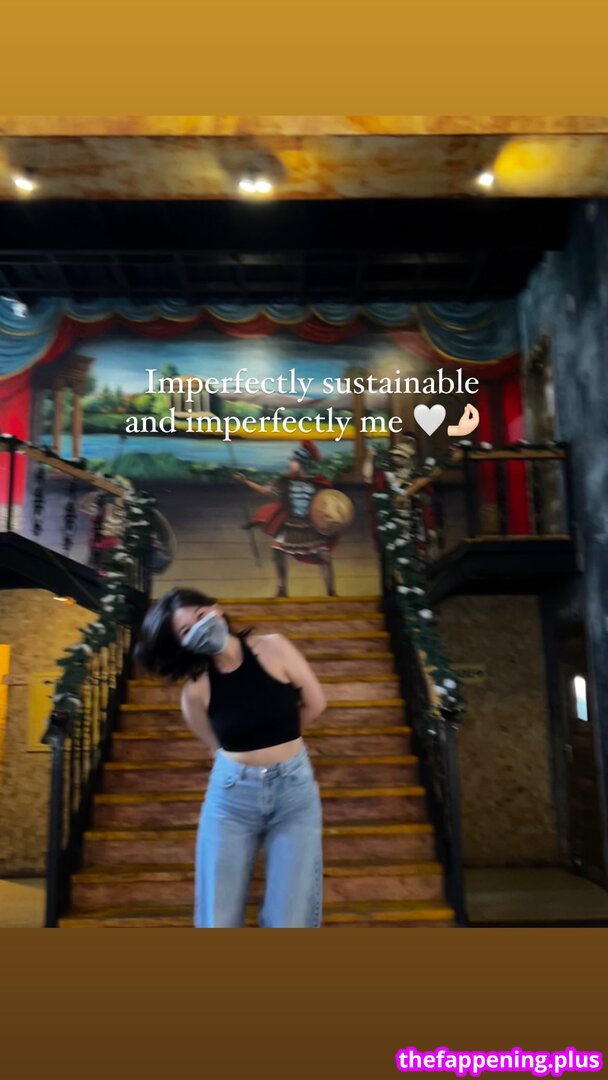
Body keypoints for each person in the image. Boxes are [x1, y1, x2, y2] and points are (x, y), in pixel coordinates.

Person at [135, 588, 326, 928]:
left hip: (294, 792)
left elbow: (315, 703)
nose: (199, 627)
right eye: (186, 630)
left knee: (291, 917)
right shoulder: (195, 691)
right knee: (217, 916)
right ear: (183, 644)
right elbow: (216, 746)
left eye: (201, 616)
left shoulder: (274, 647)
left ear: (217, 609)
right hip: (232, 799)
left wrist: (278, 732)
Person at [233, 440, 337, 597]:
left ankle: (331, 592)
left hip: (310, 525)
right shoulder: (285, 481)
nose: (290, 463)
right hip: (290, 524)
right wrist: (244, 481)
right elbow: (266, 491)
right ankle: (282, 589)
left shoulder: (317, 484)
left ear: (302, 463)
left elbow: (328, 502)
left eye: (293, 460)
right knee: (278, 550)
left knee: (325, 556)